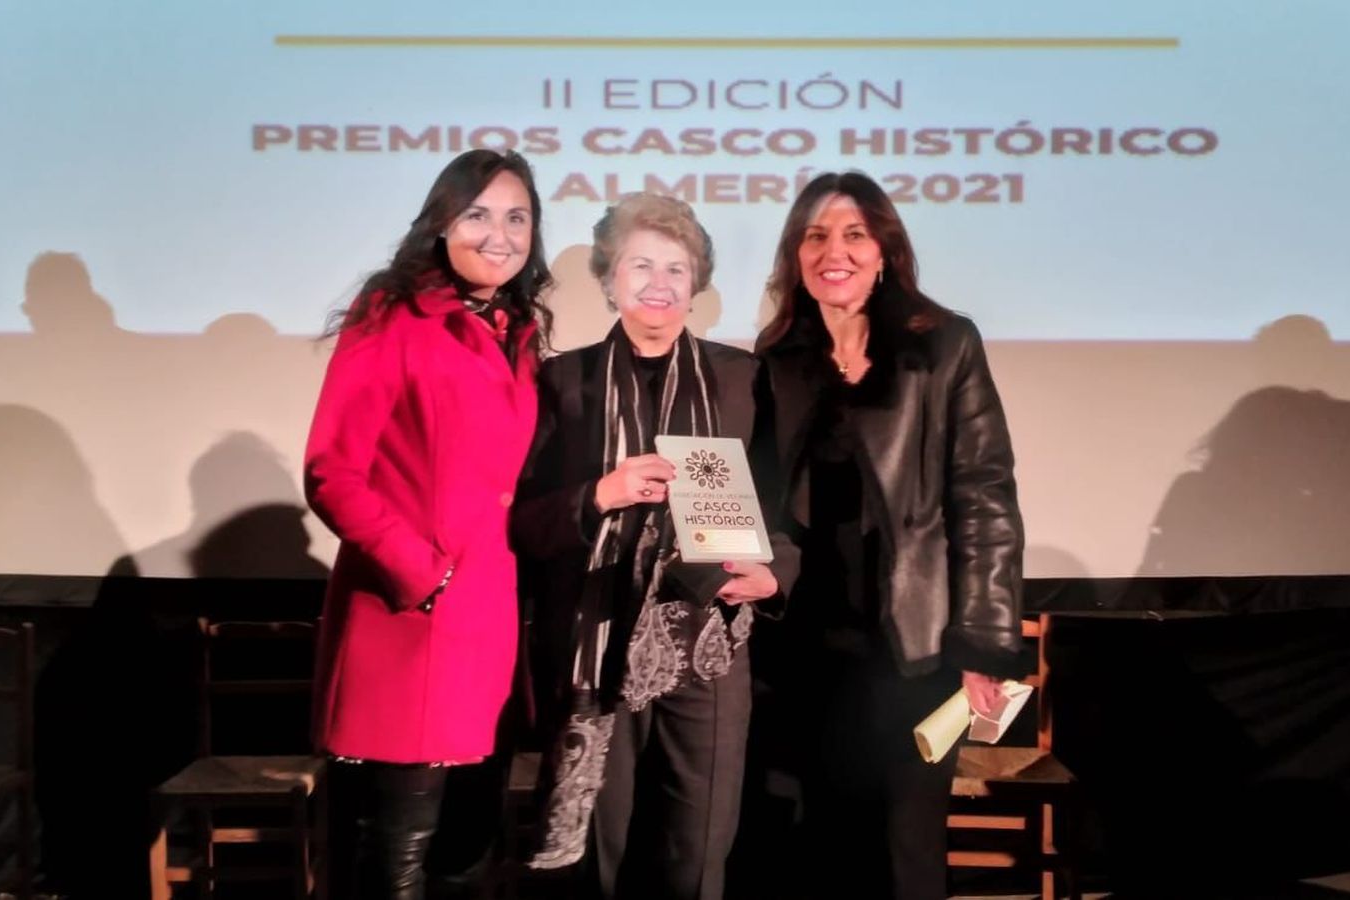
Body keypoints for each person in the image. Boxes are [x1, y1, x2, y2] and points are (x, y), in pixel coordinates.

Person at [510, 193, 798, 900]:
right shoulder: (561, 380)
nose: (659, 283)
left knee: (698, 849)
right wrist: (597, 496)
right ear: (609, 278)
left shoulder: (744, 380)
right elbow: (520, 523)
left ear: (697, 285)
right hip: (596, 640)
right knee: (601, 857)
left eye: (677, 267)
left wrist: (774, 573)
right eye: (640, 265)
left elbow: (786, 507)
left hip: (710, 641)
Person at [750, 171, 1026, 900]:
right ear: (794, 254)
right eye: (814, 236)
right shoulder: (775, 358)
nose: (832, 251)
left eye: (853, 234)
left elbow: (986, 498)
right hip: (802, 653)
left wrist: (984, 644)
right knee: (817, 853)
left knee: (905, 854)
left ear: (884, 249)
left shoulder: (943, 345)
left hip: (918, 649)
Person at [303, 148, 552, 899]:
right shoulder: (393, 314)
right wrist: (424, 572)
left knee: (467, 849)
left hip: (496, 623)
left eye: (517, 218)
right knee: (395, 860)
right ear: (441, 224)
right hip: (414, 623)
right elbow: (331, 469)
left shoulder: (518, 330)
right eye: (478, 215)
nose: (500, 235)